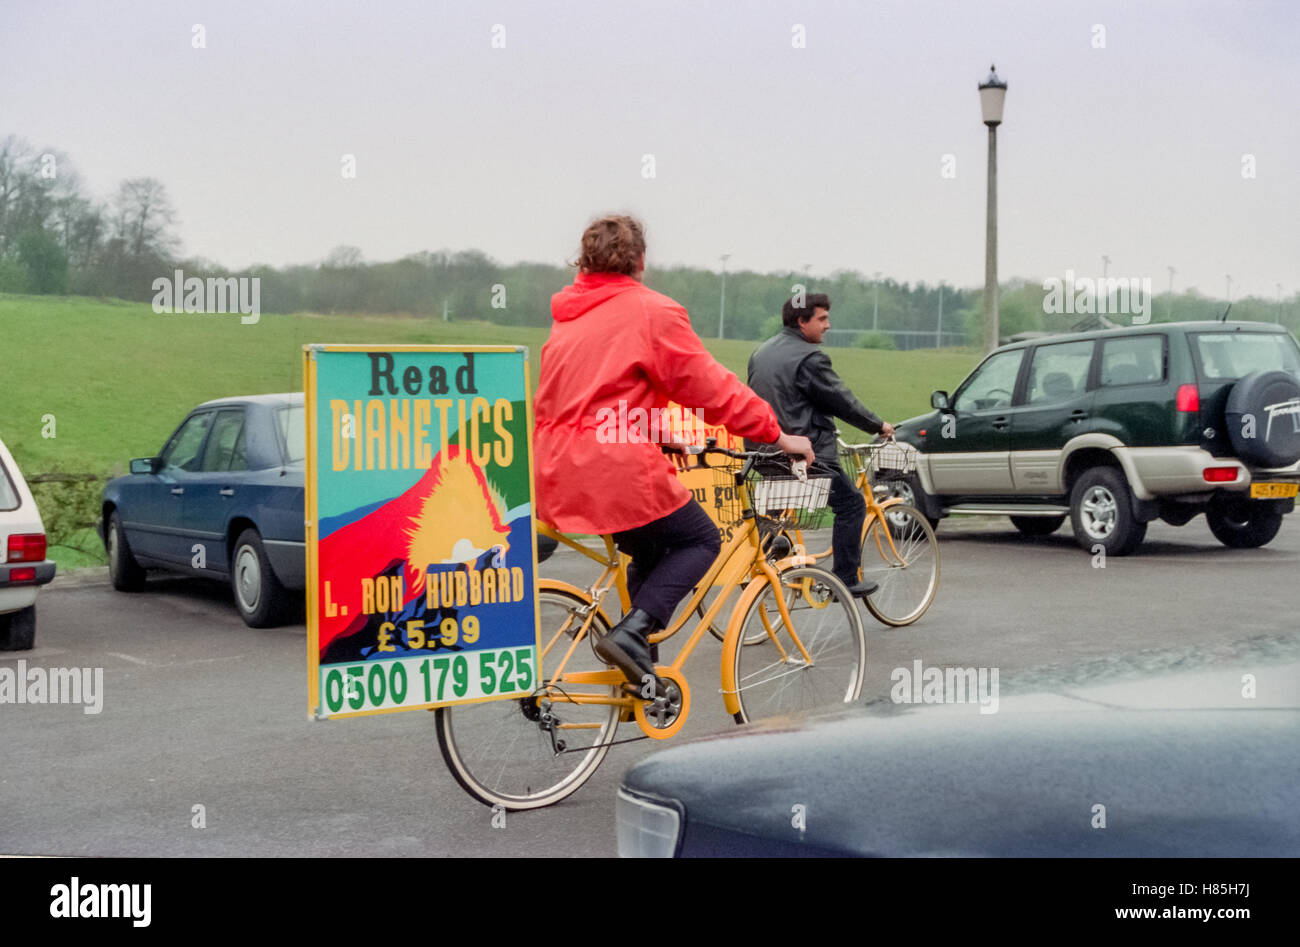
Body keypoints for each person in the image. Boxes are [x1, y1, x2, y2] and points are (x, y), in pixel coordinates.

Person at [533, 216, 814, 695]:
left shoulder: (570, 315)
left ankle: (642, 679)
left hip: (557, 465)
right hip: (612, 467)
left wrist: (658, 431)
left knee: (652, 549)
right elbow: (708, 386)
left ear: (584, 260)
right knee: (699, 540)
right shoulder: (649, 311)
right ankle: (631, 634)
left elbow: (591, 402)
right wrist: (776, 433)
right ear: (641, 260)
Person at [746, 292, 895, 597]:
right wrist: (878, 425)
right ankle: (846, 580)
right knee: (851, 503)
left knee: (774, 514)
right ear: (802, 321)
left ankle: (762, 566)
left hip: (761, 450)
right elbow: (842, 401)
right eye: (822, 318)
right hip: (802, 455)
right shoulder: (810, 358)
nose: (828, 325)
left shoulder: (761, 352)